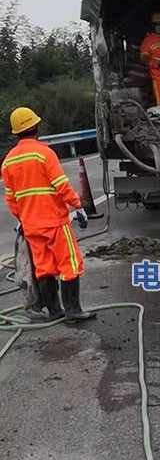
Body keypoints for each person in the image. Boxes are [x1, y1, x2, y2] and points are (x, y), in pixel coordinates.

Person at [1, 107, 96, 325]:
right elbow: (61, 185)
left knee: (43, 267)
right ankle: (73, 311)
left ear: (16, 132)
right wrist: (78, 206)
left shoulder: (8, 162)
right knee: (70, 263)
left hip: (31, 226)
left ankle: (54, 311)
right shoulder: (44, 153)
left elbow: (11, 199)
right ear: (36, 127)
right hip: (55, 222)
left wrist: (22, 219)